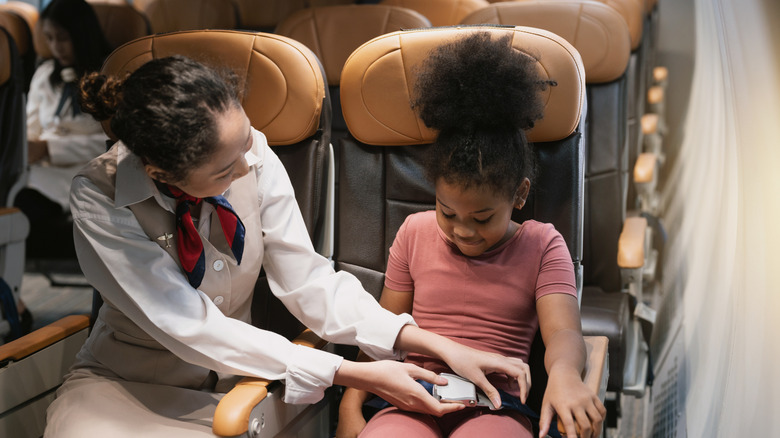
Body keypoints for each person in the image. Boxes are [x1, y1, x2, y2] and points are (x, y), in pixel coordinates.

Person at [43, 54, 533, 437]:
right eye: (223, 170)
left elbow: (309, 282)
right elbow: (190, 326)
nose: (246, 167)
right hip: (122, 388)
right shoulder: (99, 197)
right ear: (161, 173)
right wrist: (356, 376)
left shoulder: (248, 149)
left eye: (246, 145)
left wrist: (432, 344)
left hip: (239, 385)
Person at [335, 33, 606, 438]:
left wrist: (565, 374)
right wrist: (351, 401)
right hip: (413, 392)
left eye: (482, 218)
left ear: (520, 194)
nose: (463, 230)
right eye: (447, 212)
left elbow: (564, 332)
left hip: (494, 404)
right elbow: (385, 330)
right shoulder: (414, 232)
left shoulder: (542, 244)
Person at [10, 0, 111, 336]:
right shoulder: (44, 74)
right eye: (50, 38)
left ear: (81, 34)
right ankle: (12, 305)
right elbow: (31, 129)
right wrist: (34, 147)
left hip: (94, 175)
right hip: (42, 179)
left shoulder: (107, 73)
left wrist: (52, 147)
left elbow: (108, 141)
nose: (56, 47)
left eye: (63, 38)